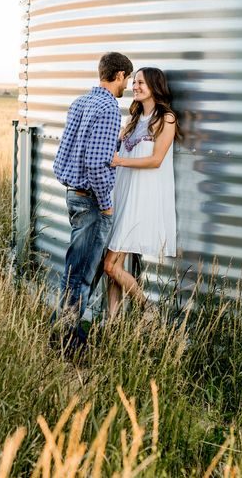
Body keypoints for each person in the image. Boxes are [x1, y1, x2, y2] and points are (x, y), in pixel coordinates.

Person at [52, 51, 133, 349]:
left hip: (73, 195)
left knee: (75, 269)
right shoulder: (109, 108)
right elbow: (98, 163)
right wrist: (106, 204)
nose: (128, 86)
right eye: (128, 79)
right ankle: (66, 340)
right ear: (120, 75)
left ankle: (63, 329)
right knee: (81, 276)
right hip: (91, 202)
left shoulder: (81, 102)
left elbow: (64, 154)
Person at [104, 67, 178, 319]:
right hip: (123, 195)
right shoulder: (132, 119)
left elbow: (156, 160)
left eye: (141, 83)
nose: (135, 86)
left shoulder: (166, 119)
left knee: (110, 266)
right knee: (115, 267)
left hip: (142, 198)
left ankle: (148, 308)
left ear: (155, 86)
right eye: (134, 82)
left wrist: (120, 162)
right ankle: (111, 324)